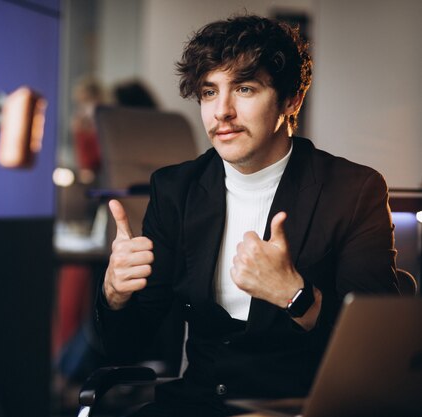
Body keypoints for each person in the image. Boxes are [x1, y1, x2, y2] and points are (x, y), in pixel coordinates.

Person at [95, 14, 400, 417]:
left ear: (291, 99)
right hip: (198, 404)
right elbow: (127, 347)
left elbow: (378, 354)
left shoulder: (353, 190)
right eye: (208, 92)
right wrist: (114, 295)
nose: (222, 111)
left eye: (244, 88)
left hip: (302, 407)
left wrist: (295, 296)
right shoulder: (176, 190)